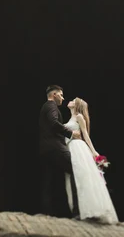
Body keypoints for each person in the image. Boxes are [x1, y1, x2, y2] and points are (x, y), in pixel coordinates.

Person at [64, 97, 118, 224]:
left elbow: (85, 135)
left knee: (82, 177)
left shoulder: (79, 117)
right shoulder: (71, 119)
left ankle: (90, 209)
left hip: (78, 147)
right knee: (75, 178)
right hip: (70, 148)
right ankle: (79, 210)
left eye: (73, 100)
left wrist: (93, 152)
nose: (70, 101)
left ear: (76, 105)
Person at [39, 85, 81, 217]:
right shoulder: (51, 106)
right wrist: (70, 133)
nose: (63, 98)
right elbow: (53, 122)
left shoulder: (45, 107)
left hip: (45, 148)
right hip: (55, 146)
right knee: (75, 169)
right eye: (61, 95)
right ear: (55, 95)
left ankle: (48, 212)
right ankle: (77, 211)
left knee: (51, 179)